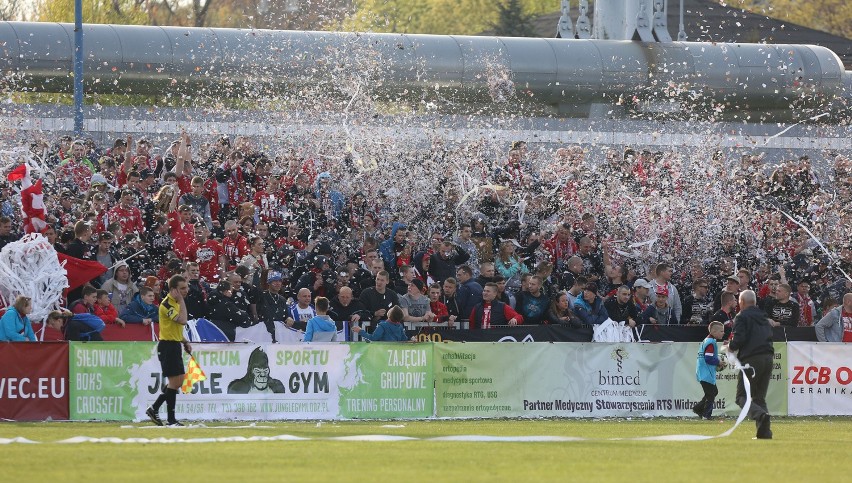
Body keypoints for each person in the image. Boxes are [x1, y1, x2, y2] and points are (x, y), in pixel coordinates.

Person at [728, 290, 774, 439]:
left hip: (751, 359)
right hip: (768, 358)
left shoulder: (742, 316)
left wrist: (730, 346)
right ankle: (764, 431)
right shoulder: (764, 316)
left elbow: (739, 339)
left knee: (741, 397)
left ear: (741, 302)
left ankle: (760, 415)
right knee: (759, 397)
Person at [147, 275, 191, 427]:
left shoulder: (175, 302)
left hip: (174, 344)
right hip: (167, 346)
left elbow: (175, 328)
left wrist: (184, 341)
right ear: (173, 290)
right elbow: (183, 321)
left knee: (177, 381)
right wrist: (182, 301)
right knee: (175, 382)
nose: (186, 290)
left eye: (186, 287)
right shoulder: (166, 304)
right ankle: (170, 419)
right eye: (183, 288)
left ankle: (155, 409)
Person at [692, 321, 726, 420]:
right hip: (706, 373)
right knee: (711, 394)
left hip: (704, 372)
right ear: (714, 331)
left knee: (713, 392)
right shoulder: (711, 342)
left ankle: (698, 409)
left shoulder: (707, 340)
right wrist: (718, 362)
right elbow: (708, 358)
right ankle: (706, 415)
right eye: (721, 331)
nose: (723, 333)